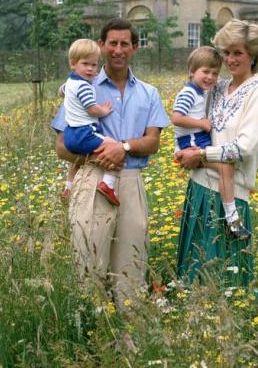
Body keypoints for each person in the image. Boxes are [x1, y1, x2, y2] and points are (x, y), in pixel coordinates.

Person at [51, 18, 169, 306]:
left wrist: (124, 147)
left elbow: (152, 141)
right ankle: (94, 335)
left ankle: (130, 337)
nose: (118, 50)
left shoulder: (148, 93)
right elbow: (61, 146)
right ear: (102, 46)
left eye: (124, 44)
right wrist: (98, 155)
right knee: (89, 262)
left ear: (135, 48)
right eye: (112, 43)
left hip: (131, 182)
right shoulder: (80, 85)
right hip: (92, 178)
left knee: (131, 263)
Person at [176, 19, 258, 287]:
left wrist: (200, 155)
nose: (230, 60)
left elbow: (243, 148)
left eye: (238, 53)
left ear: (252, 55)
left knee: (225, 282)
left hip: (231, 194)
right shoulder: (217, 88)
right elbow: (188, 114)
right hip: (199, 187)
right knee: (194, 276)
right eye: (227, 53)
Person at [171, 46, 251, 242]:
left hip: (198, 140)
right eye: (205, 72)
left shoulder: (201, 92)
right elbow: (176, 118)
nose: (210, 77)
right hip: (192, 142)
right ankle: (232, 219)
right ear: (191, 72)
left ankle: (231, 216)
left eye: (215, 73)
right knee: (225, 168)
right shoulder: (189, 93)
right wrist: (201, 123)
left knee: (225, 168)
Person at [61, 38, 120, 206]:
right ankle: (108, 184)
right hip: (84, 132)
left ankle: (68, 187)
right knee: (114, 147)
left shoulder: (70, 82)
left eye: (94, 65)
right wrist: (104, 110)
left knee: (77, 161)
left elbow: (62, 90)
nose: (90, 69)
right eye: (85, 64)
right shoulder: (84, 87)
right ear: (73, 64)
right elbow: (91, 109)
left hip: (70, 134)